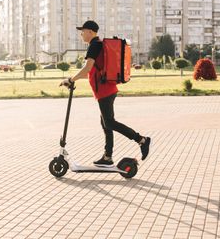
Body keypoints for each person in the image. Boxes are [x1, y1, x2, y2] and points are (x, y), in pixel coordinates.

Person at [59, 20, 151, 166]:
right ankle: (107, 157)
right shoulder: (97, 44)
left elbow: (87, 69)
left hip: (104, 90)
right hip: (106, 89)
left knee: (109, 122)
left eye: (82, 31)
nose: (81, 34)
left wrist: (70, 79)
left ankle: (141, 140)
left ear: (90, 32)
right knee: (105, 123)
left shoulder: (94, 46)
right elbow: (90, 69)